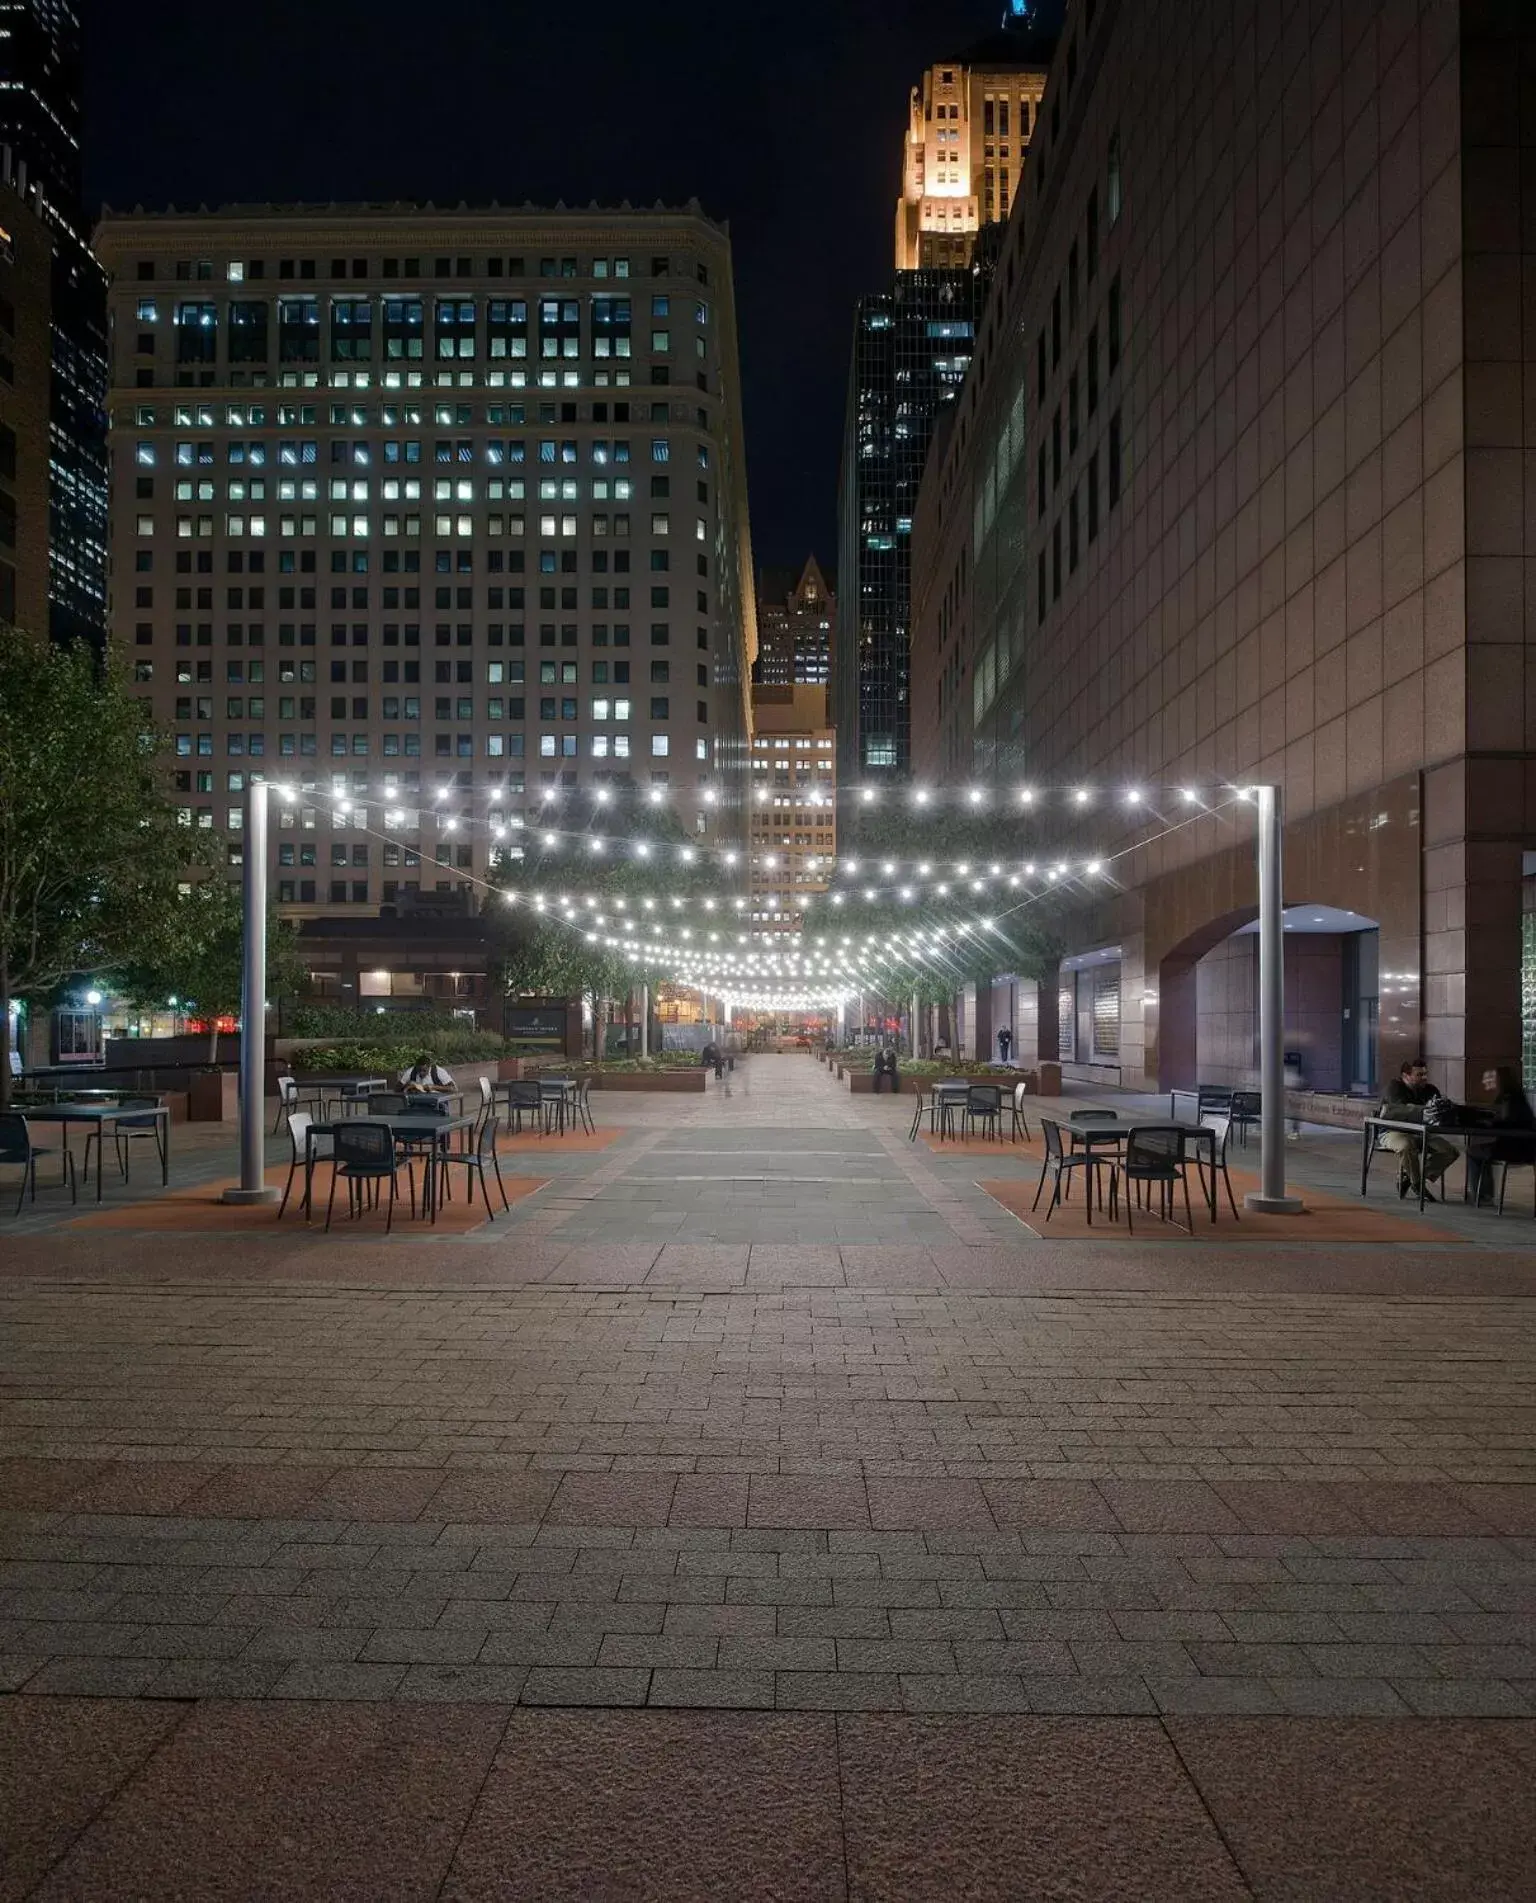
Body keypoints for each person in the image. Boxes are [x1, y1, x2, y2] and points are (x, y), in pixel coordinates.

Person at [1380, 1058, 1456, 1201]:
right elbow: (1400, 1112)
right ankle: (1417, 1184)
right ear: (1405, 1076)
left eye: (1425, 1074)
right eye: (1419, 1075)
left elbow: (1437, 1112)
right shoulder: (1394, 1088)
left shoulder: (1430, 1090)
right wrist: (1425, 1111)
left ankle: (1410, 1177)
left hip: (1421, 1132)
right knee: (1406, 1145)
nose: (1424, 1078)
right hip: (1393, 1131)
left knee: (1449, 1151)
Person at [1463, 1066, 1536, 1206]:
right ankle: (1484, 1194)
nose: (1486, 1082)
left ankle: (1482, 1195)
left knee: (1473, 1151)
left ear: (1500, 1081)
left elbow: (1507, 1122)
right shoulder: (1516, 1096)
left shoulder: (1508, 1098)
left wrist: (1488, 1123)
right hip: (1526, 1148)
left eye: (1491, 1079)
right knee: (1482, 1151)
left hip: (1516, 1149)